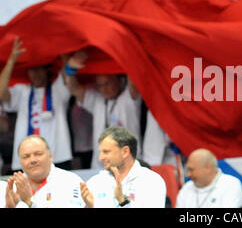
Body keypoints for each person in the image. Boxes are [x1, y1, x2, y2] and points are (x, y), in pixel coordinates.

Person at [0, 37, 73, 171]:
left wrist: (64, 54)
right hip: (26, 159)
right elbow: (1, 92)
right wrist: (12, 60)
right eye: (32, 70)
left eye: (39, 69)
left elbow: (67, 75)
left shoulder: (59, 90)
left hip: (58, 157)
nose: (35, 74)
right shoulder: (22, 91)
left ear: (47, 70)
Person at [64, 51, 142, 169]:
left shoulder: (129, 99)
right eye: (100, 85)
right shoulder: (98, 100)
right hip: (100, 167)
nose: (103, 89)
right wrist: (70, 69)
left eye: (107, 83)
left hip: (128, 167)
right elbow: (73, 89)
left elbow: (134, 78)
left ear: (119, 80)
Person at [80, 126, 166, 208]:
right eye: (101, 152)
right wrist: (89, 207)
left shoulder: (151, 181)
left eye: (106, 152)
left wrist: (123, 202)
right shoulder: (95, 182)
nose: (100, 158)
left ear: (125, 151)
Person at [4, 135, 84, 208]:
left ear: (50, 156)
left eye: (38, 154)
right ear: (19, 161)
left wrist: (30, 202)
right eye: (26, 156)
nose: (32, 160)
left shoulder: (70, 181)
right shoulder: (12, 187)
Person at [176, 148, 242, 208]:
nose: (188, 174)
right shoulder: (186, 188)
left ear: (207, 168)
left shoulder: (231, 185)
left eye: (192, 170)